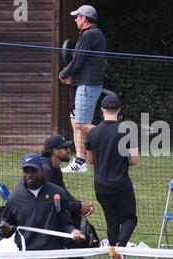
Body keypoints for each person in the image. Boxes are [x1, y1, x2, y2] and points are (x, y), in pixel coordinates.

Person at [0, 153, 85, 259]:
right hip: (23, 258)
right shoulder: (14, 199)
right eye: (26, 171)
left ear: (41, 171)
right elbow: (7, 230)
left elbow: (65, 223)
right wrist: (5, 229)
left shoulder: (57, 193)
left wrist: (73, 231)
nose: (29, 174)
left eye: (33, 170)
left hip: (51, 258)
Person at [86, 94, 139, 259]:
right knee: (130, 218)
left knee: (112, 221)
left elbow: (91, 161)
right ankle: (120, 246)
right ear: (119, 110)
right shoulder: (127, 130)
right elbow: (134, 160)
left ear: (101, 110)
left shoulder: (93, 133)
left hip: (100, 186)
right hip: (120, 184)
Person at [59, 4, 107, 173]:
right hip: (84, 83)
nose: (75, 19)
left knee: (81, 123)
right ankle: (80, 161)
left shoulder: (89, 34)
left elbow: (78, 60)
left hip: (87, 85)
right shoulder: (93, 34)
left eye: (77, 16)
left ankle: (113, 137)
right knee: (74, 119)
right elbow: (83, 61)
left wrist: (63, 73)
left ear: (84, 18)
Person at [41, 134, 98, 259]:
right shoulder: (46, 170)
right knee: (68, 212)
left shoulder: (55, 168)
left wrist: (79, 204)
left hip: (51, 206)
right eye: (65, 148)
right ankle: (70, 257)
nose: (69, 151)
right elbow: (54, 200)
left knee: (73, 212)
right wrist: (77, 207)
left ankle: (75, 258)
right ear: (55, 151)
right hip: (42, 212)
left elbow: (63, 193)